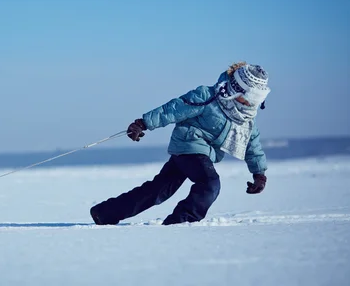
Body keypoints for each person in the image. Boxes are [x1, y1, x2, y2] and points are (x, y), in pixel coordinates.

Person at [90, 62, 270, 226]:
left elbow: (251, 144)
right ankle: (180, 222)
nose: (251, 103)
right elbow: (175, 109)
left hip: (200, 154)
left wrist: (259, 174)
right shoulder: (209, 96)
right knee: (209, 183)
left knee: (158, 191)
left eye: (257, 99)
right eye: (249, 97)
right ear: (237, 88)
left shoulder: (246, 116)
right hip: (189, 145)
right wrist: (143, 123)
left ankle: (105, 213)